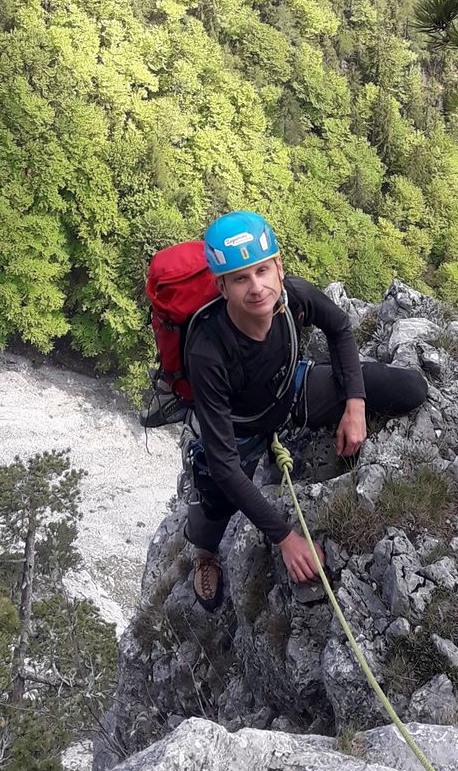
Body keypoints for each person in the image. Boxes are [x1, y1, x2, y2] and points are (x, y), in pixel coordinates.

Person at [182, 210, 429, 609]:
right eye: (241, 278)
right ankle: (205, 555)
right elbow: (226, 465)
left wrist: (354, 404)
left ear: (278, 267)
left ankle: (343, 400)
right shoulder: (208, 351)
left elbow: (340, 328)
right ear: (222, 287)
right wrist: (287, 537)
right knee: (214, 506)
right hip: (240, 427)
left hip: (289, 391)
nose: (257, 287)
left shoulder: (292, 296)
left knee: (409, 388)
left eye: (262, 270)